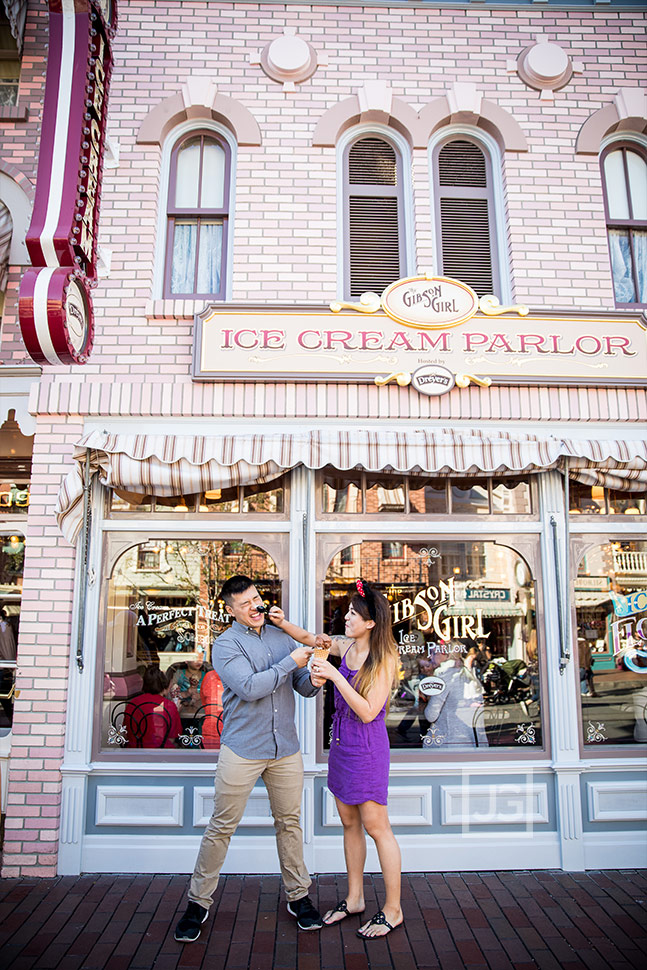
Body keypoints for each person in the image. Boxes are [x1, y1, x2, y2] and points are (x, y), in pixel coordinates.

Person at [174, 575, 324, 943]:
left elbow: (301, 686)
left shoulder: (280, 635)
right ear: (230, 610)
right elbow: (252, 688)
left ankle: (299, 896)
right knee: (221, 825)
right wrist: (291, 661)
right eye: (245, 604)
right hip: (241, 749)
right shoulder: (225, 646)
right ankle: (198, 902)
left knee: (289, 822)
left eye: (256, 599)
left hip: (285, 748)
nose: (255, 607)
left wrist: (315, 679)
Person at [276, 578, 403, 940]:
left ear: (371, 623)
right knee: (349, 823)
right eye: (347, 612)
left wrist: (333, 675)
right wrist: (283, 623)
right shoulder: (346, 645)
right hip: (342, 745)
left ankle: (393, 909)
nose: (345, 618)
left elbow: (367, 711)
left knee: (378, 827)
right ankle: (355, 898)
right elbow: (310, 639)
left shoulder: (384, 658)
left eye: (352, 613)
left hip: (367, 746)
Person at [124, 665, 182, 748]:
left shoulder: (132, 703)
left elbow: (126, 734)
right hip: (159, 755)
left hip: (134, 752)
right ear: (164, 686)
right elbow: (172, 738)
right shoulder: (169, 706)